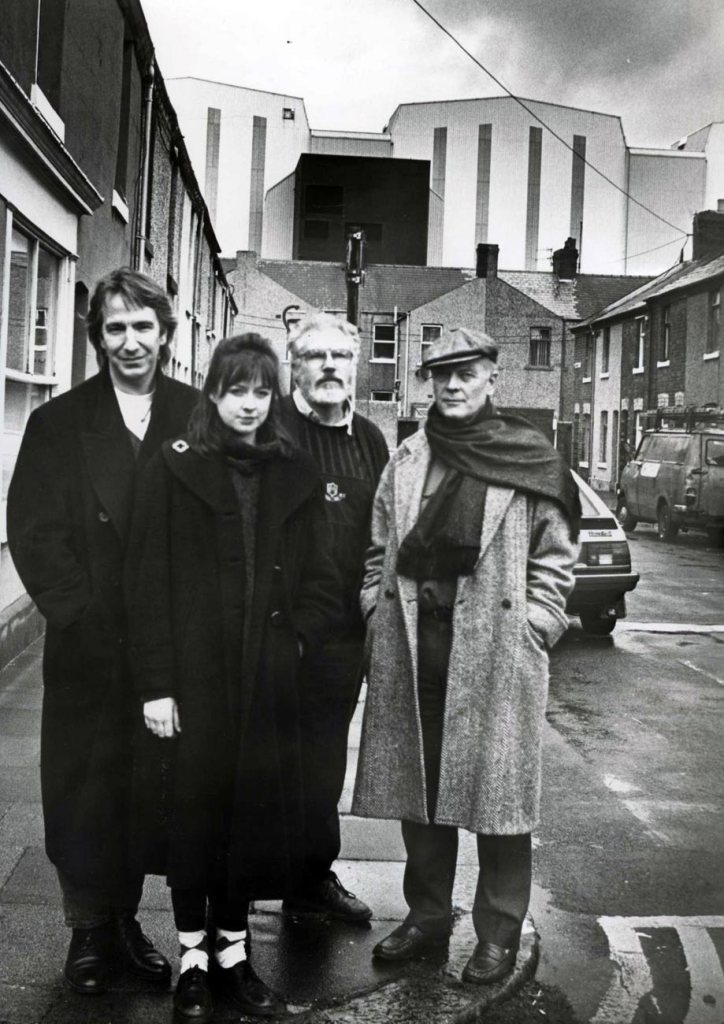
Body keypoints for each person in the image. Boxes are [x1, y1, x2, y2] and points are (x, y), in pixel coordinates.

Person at [352, 328, 580, 985]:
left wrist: (537, 624)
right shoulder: (408, 458)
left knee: (498, 797)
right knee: (420, 790)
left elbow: (555, 556)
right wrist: (374, 610)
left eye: (466, 373)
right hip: (415, 644)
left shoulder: (528, 455)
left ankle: (498, 932)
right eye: (441, 374)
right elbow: (378, 548)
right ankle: (427, 918)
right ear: (428, 380)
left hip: (496, 648)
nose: (452, 385)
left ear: (491, 379)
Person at [125, 334, 342, 1021]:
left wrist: (295, 643)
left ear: (274, 397)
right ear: (213, 393)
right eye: (235, 390)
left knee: (249, 819)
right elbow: (144, 583)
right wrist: (157, 686)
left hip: (264, 680)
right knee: (193, 816)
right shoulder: (174, 466)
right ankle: (192, 956)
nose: (248, 404)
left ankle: (234, 953)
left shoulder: (294, 470)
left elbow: (324, 577)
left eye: (260, 391)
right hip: (193, 682)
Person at [6, 268, 199, 994]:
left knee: (151, 788)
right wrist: (81, 614)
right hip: (89, 647)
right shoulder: (59, 423)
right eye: (115, 327)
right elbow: (33, 532)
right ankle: (87, 929)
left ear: (165, 333)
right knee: (85, 788)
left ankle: (125, 923)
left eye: (143, 326)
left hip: (170, 649)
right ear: (98, 338)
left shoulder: (197, 416)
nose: (130, 341)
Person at [279, 312, 388, 923]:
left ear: (355, 367)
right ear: (293, 365)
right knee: (257, 765)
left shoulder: (370, 441)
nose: (328, 366)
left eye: (340, 357)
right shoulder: (270, 430)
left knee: (323, 765)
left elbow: (383, 537)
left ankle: (310, 880)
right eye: (315, 355)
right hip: (275, 634)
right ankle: (233, 899)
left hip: (343, 638)